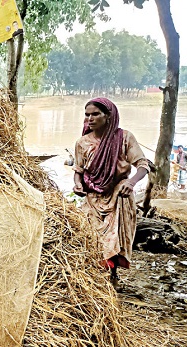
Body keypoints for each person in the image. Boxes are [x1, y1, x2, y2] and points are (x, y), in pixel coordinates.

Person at [72, 97, 150, 286]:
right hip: (93, 198)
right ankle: (95, 277)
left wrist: (131, 182)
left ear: (108, 116)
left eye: (95, 114)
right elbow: (78, 170)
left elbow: (143, 165)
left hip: (118, 195)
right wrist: (77, 185)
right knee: (91, 237)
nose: (90, 118)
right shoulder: (82, 143)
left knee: (114, 239)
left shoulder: (124, 138)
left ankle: (112, 276)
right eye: (87, 114)